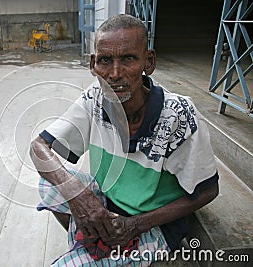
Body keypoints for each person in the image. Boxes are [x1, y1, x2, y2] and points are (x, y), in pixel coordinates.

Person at [30, 14, 219, 266]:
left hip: (154, 224)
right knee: (51, 181)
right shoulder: (93, 99)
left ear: (148, 62)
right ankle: (92, 242)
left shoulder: (178, 115)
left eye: (128, 59)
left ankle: (100, 249)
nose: (115, 74)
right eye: (105, 61)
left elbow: (208, 190)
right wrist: (78, 195)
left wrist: (135, 225)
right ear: (93, 65)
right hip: (109, 204)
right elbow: (39, 147)